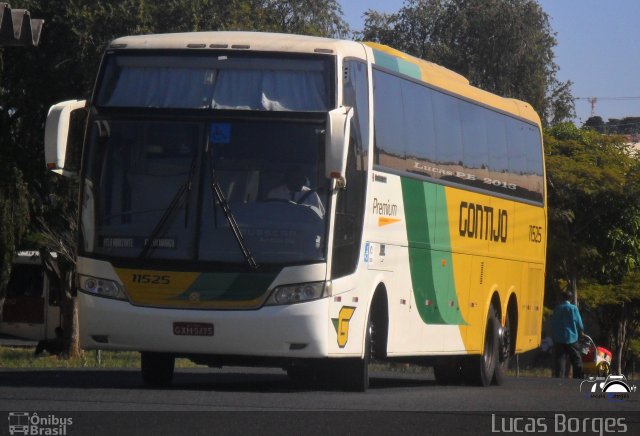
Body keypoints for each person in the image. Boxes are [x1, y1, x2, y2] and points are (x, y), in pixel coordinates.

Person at [551, 290, 585, 379]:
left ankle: (559, 377)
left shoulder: (558, 308)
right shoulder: (573, 308)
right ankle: (578, 377)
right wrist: (581, 330)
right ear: (571, 298)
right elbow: (579, 322)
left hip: (559, 337)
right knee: (576, 358)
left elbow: (553, 322)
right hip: (571, 337)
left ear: (562, 298)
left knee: (560, 359)